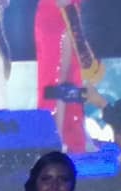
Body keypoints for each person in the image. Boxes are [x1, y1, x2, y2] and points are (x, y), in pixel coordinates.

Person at [35, 0, 87, 154]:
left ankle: (69, 135)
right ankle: (55, 137)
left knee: (69, 75)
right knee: (55, 75)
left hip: (71, 15)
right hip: (53, 15)